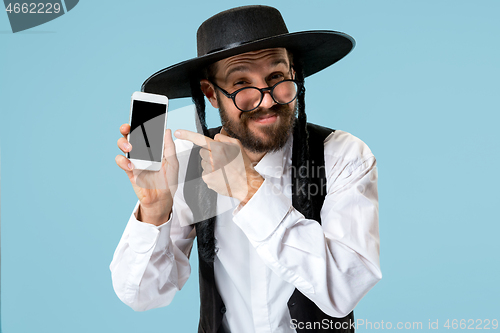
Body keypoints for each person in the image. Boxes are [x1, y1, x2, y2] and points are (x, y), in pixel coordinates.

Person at [110, 5, 381, 333]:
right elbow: (142, 295)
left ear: (294, 73)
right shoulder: (194, 164)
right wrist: (154, 211)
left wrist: (249, 188)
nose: (267, 100)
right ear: (211, 93)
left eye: (277, 78)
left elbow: (345, 288)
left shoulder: (341, 156)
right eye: (242, 84)